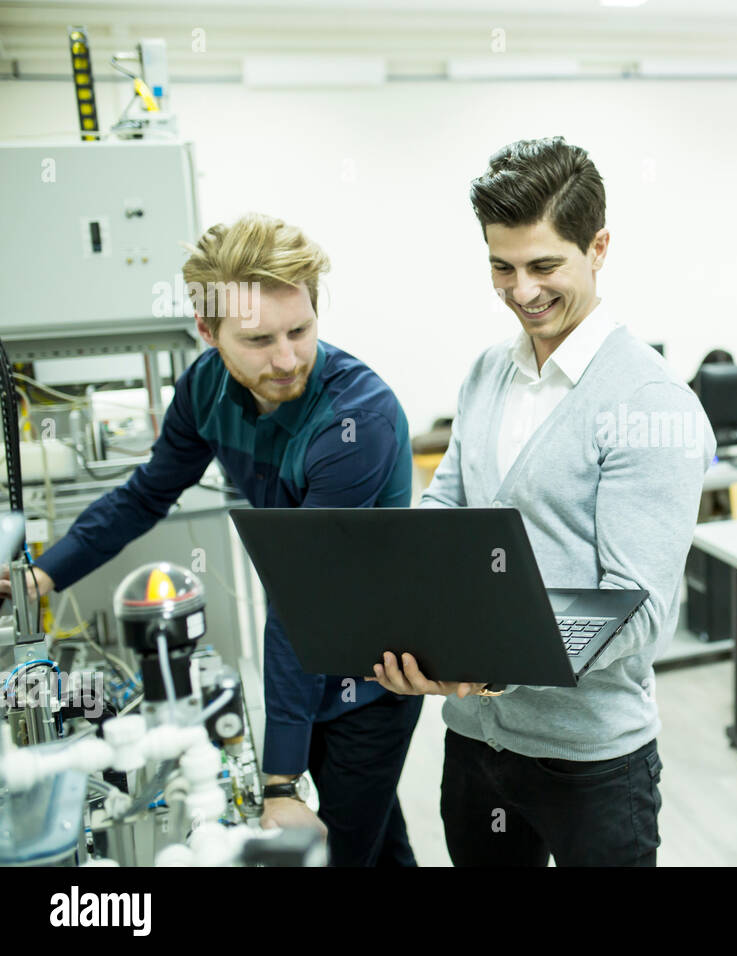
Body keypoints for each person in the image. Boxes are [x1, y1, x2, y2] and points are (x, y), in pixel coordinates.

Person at [0, 214, 422, 866]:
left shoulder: (355, 419)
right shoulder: (204, 387)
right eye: (257, 339)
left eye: (301, 331)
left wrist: (279, 784)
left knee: (334, 852)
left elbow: (302, 593)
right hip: (303, 650)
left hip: (374, 672)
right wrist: (45, 575)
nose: (286, 360)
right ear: (208, 331)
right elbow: (145, 494)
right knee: (376, 841)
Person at [368, 136, 712, 866]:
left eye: (544, 265)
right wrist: (405, 616)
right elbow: (448, 508)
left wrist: (493, 664)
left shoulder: (651, 403)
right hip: (473, 742)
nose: (522, 291)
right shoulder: (488, 372)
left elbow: (635, 607)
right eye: (502, 267)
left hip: (591, 762)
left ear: (599, 247)